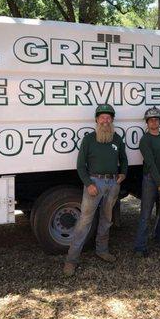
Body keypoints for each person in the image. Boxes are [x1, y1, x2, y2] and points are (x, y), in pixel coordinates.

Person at [63, 104, 128, 276]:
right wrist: (88, 183)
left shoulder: (117, 139)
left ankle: (102, 250)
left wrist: (123, 174)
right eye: (102, 117)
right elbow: (80, 165)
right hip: (94, 183)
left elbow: (124, 159)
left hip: (112, 183)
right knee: (84, 221)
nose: (105, 120)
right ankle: (71, 260)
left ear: (112, 120)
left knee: (107, 219)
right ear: (97, 120)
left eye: (108, 117)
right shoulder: (89, 139)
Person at [134, 106, 160, 257]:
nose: (154, 122)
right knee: (146, 213)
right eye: (151, 120)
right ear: (147, 122)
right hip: (151, 181)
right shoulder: (145, 140)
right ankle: (140, 247)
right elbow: (150, 164)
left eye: (156, 119)